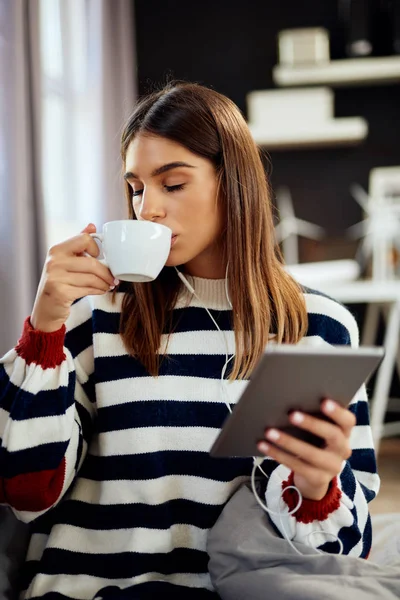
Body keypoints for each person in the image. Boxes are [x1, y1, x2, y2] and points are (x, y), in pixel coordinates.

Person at [0, 82, 379, 600]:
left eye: (171, 184)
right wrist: (44, 329)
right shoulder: (93, 319)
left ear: (234, 184)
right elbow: (25, 493)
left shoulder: (317, 325)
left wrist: (318, 489)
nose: (146, 208)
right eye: (136, 188)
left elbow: (346, 554)